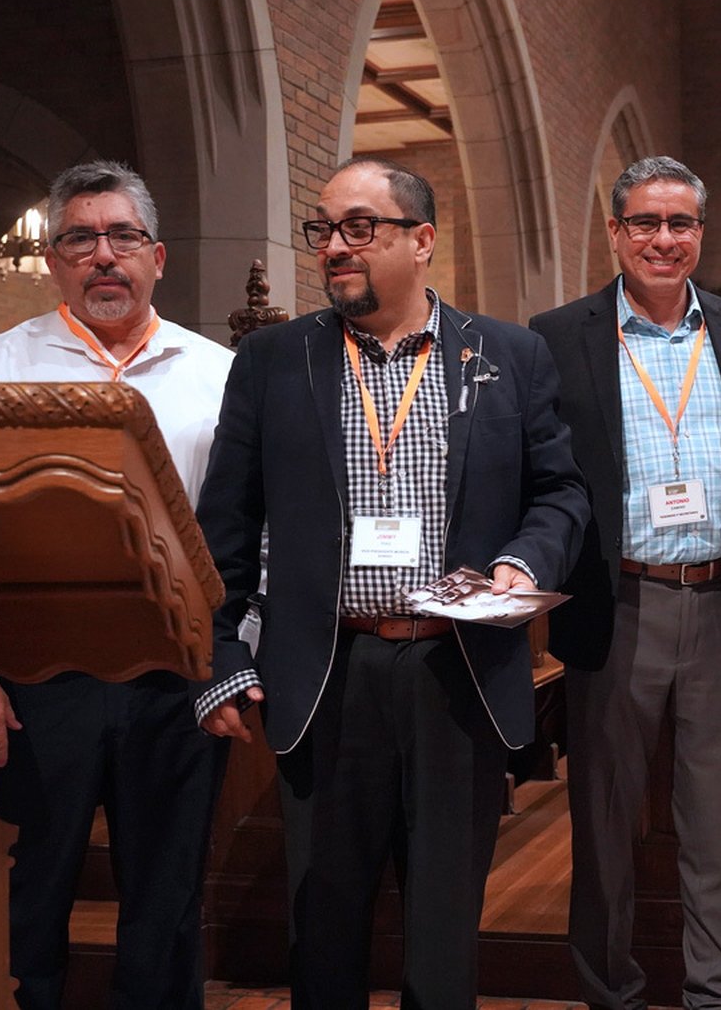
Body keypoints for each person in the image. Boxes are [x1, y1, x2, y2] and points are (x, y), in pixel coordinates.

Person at [190, 156, 588, 1010]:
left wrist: (524, 562)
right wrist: (222, 653)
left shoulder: (508, 354)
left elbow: (560, 490)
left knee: (445, 927)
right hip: (329, 669)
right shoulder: (273, 360)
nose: (336, 246)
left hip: (457, 668)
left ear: (422, 240)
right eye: (325, 229)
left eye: (359, 227)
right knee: (324, 923)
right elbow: (222, 529)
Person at [0, 159, 234, 1009]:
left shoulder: (218, 374)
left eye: (121, 236)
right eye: (79, 238)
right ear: (56, 258)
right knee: (32, 900)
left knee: (167, 903)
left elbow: (253, 531)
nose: (102, 255)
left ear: (157, 256)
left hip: (178, 680)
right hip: (39, 685)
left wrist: (234, 661)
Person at [530, 156, 721, 1010]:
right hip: (616, 603)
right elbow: (541, 472)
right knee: (602, 826)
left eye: (680, 224)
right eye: (645, 223)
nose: (663, 240)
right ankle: (611, 994)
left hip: (719, 600)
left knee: (715, 828)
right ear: (615, 232)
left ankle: (718, 995)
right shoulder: (558, 335)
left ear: (700, 233)